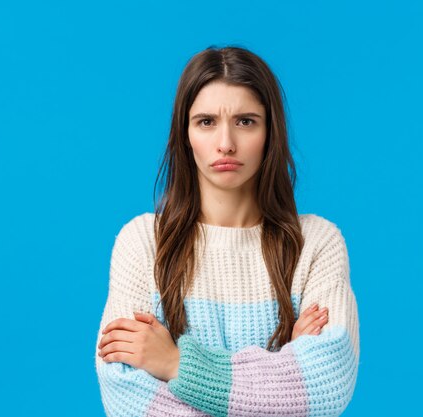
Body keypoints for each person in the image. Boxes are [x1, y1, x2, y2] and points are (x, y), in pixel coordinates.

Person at [94, 45, 360, 416]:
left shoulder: (316, 243)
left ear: (271, 132)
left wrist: (176, 365)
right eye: (206, 122)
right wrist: (282, 375)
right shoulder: (143, 242)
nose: (226, 144)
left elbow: (327, 385)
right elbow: (126, 395)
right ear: (184, 134)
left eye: (245, 121)